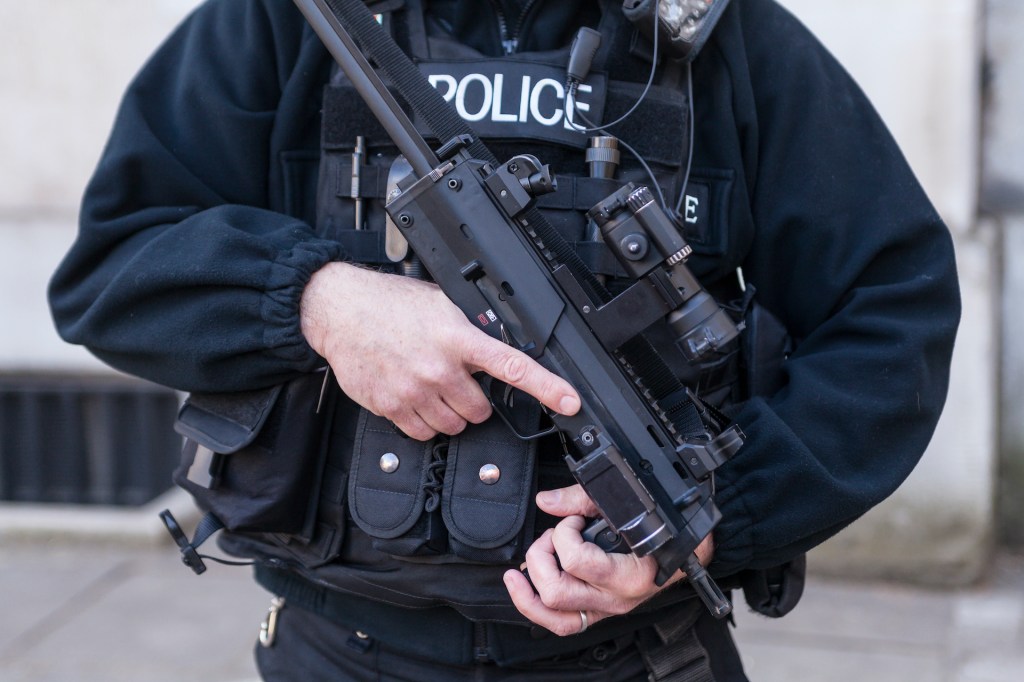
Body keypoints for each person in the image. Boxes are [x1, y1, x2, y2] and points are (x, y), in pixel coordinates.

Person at [48, 0, 961, 679]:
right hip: (343, 650)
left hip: (643, 656)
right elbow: (114, 267)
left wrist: (720, 520)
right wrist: (320, 303)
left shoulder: (723, 40)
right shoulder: (293, 21)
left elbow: (892, 312)